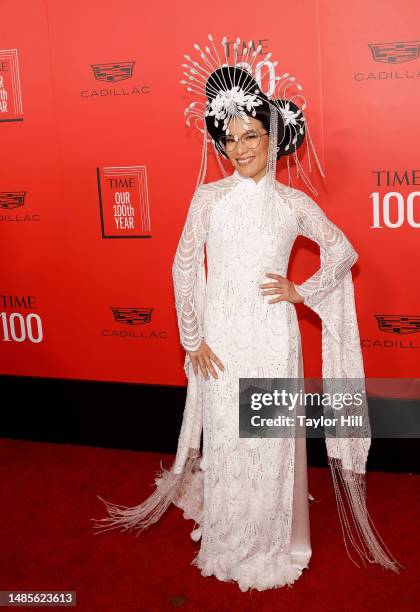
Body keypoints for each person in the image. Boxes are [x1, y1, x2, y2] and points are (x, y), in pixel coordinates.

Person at [92, 35, 403, 592]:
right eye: (230, 138)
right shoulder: (207, 198)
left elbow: (343, 252)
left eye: (251, 136)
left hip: (271, 337)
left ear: (273, 137)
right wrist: (192, 339)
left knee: (267, 441)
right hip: (221, 340)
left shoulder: (292, 204)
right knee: (230, 441)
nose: (239, 148)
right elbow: (183, 267)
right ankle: (229, 530)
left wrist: (302, 290)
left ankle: (268, 537)